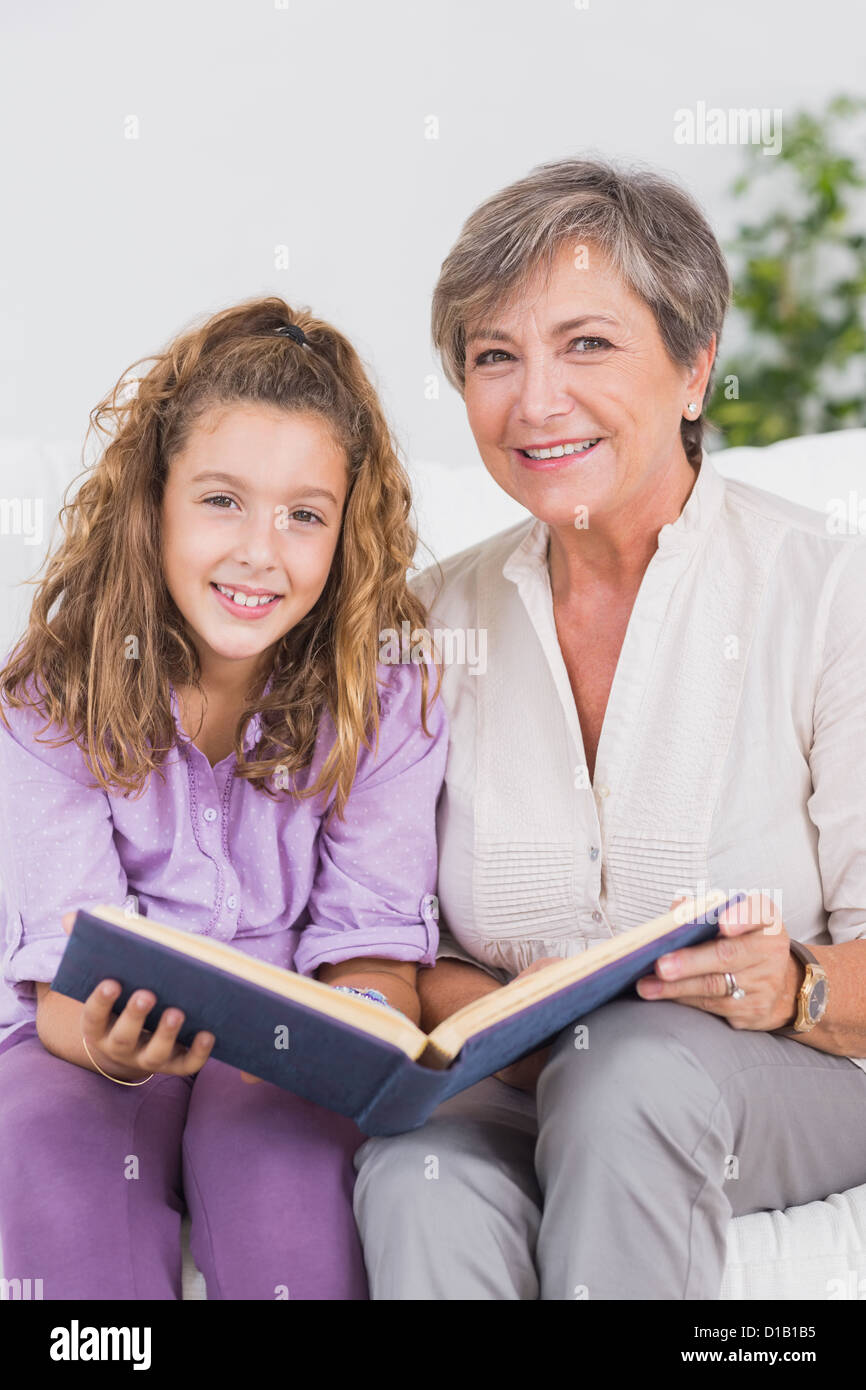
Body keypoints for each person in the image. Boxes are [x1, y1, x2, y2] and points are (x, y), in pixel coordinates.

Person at [352, 157, 866, 1300]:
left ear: (693, 367)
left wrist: (790, 983)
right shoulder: (425, 623)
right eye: (494, 356)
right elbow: (405, 947)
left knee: (625, 1076)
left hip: (792, 1074)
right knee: (412, 1177)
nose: (535, 400)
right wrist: (495, 1021)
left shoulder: (829, 595)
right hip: (520, 1077)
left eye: (585, 345)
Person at [0, 298, 447, 1300]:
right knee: (46, 1139)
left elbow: (370, 947)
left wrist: (359, 1024)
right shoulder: (51, 695)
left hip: (286, 1039)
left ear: (344, 532)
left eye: (303, 515)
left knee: (272, 1157)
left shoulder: (385, 699)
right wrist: (111, 1046)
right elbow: (64, 974)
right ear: (153, 501)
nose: (260, 552)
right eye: (221, 501)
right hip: (91, 1037)